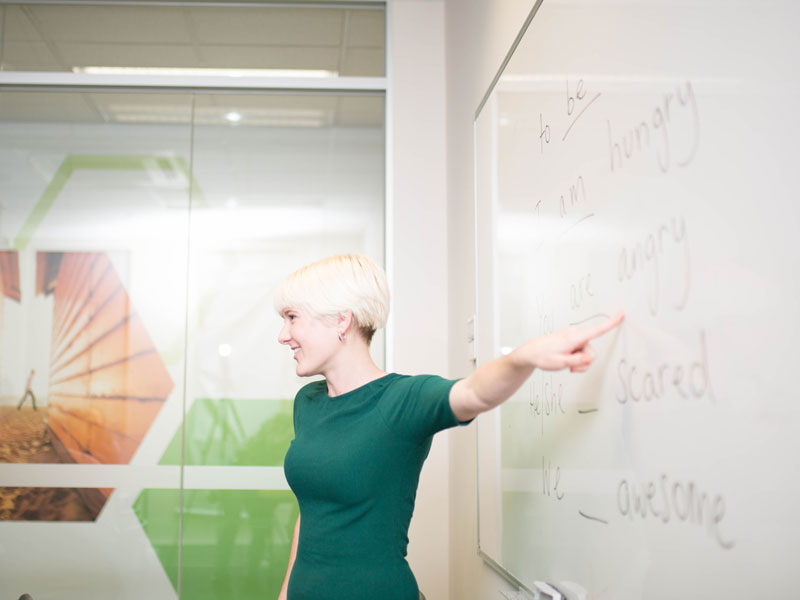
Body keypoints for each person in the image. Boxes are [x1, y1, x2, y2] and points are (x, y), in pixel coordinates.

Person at [275, 255, 623, 600]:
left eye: (292, 318)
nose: (283, 335)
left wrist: (523, 357)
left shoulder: (402, 400)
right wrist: (286, 592)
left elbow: (472, 392)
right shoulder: (308, 402)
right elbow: (312, 512)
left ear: (341, 320)